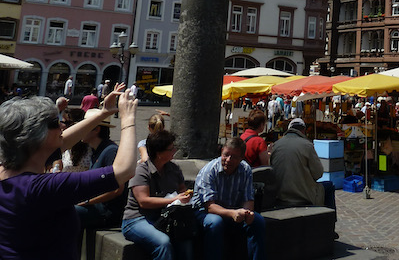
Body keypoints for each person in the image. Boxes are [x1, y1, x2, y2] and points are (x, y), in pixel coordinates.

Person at [0, 84, 137, 259]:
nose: (62, 127)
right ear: (36, 136)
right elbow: (124, 170)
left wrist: (103, 113)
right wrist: (128, 119)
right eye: (55, 123)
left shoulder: (8, 170)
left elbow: (62, 142)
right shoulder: (44, 187)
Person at [122, 129, 193, 260]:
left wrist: (185, 196)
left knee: (186, 239)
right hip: (137, 219)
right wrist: (173, 199)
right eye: (171, 149)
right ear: (159, 153)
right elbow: (144, 201)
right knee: (163, 242)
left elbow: (182, 189)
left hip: (165, 217)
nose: (174, 151)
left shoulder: (174, 169)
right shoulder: (141, 171)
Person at [192, 138, 266, 260]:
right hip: (206, 211)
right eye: (226, 155)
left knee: (257, 222)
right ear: (221, 152)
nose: (228, 160)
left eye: (234, 157)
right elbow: (210, 206)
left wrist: (247, 212)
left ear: (241, 158)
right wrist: (232, 213)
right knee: (215, 223)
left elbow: (248, 198)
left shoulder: (245, 170)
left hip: (233, 210)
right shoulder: (209, 171)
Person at [270, 118, 337, 231]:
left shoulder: (276, 145)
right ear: (303, 131)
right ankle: (330, 227)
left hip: (279, 193)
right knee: (329, 186)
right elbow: (318, 174)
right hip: (302, 194)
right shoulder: (307, 145)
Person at [76, 106, 130, 240]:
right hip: (95, 208)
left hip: (106, 212)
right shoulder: (95, 150)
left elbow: (117, 189)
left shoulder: (110, 151)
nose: (81, 130)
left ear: (96, 129)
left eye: (86, 126)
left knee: (65, 213)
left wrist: (86, 202)